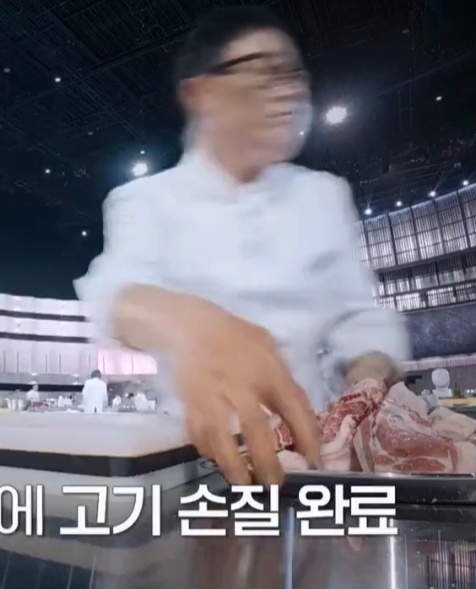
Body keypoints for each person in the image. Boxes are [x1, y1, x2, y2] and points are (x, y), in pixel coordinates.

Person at [74, 6, 409, 485]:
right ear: (201, 92)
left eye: (293, 75)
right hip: (194, 460)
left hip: (312, 450)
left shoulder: (321, 196)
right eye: (261, 70)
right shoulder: (144, 201)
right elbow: (115, 291)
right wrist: (192, 328)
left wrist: (364, 389)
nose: (288, 90)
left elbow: (359, 318)